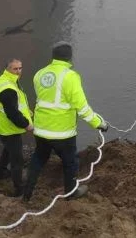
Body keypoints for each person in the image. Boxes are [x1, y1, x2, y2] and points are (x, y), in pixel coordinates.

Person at [23, 41, 108, 202]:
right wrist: (99, 123)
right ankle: (70, 193)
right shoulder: (71, 77)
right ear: (69, 58)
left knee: (39, 158)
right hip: (62, 133)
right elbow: (82, 108)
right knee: (70, 163)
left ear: (53, 56)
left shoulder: (39, 74)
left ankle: (27, 193)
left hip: (41, 129)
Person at [0, 58, 34, 197]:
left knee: (8, 150)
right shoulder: (8, 89)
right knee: (17, 160)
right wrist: (26, 124)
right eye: (15, 69)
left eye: (20, 68)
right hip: (9, 128)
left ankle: (0, 174)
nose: (19, 71)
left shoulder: (5, 79)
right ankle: (19, 188)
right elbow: (13, 113)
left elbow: (15, 107)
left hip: (1, 126)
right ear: (8, 68)